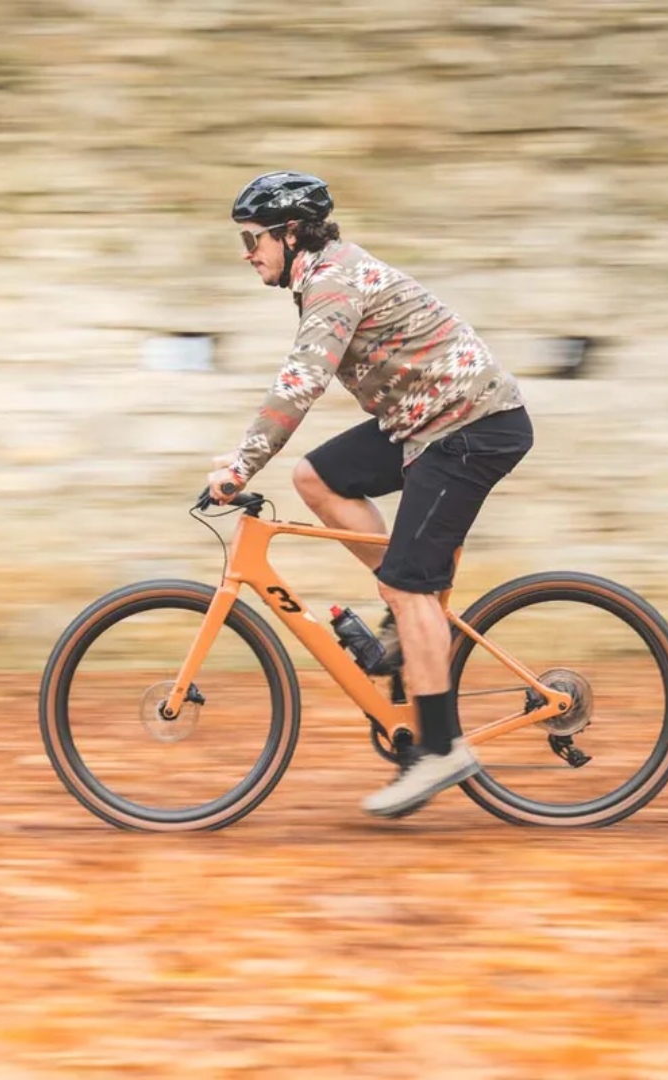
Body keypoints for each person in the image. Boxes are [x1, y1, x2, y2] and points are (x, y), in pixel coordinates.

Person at [204, 170, 534, 819]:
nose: (248, 256)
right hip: (425, 421)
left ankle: (440, 748)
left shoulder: (331, 284)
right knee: (315, 479)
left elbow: (300, 385)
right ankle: (407, 618)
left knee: (412, 585)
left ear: (290, 233)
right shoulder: (319, 274)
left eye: (252, 242)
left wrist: (240, 466)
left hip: (471, 426)